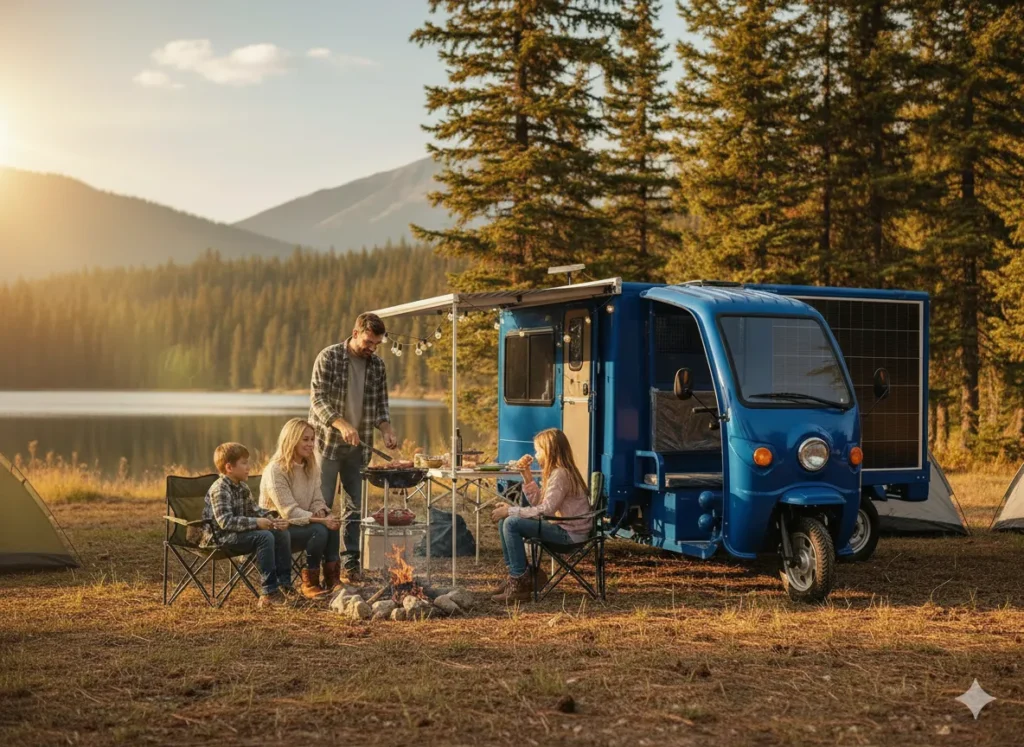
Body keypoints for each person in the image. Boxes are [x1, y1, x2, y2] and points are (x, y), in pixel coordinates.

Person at [309, 312, 399, 583]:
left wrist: (386, 430)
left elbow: (381, 405)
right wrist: (342, 424)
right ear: (356, 332)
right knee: (321, 506)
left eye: (377, 344)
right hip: (327, 445)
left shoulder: (378, 366)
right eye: (369, 342)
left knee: (354, 508)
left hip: (360, 449)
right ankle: (320, 567)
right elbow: (318, 400)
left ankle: (350, 565)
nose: (372, 348)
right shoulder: (329, 357)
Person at [489, 428, 592, 603]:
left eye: (538, 450)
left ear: (550, 450)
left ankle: (519, 583)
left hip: (570, 535)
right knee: (505, 522)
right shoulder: (558, 472)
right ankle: (518, 576)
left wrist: (511, 510)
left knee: (511, 523)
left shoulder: (561, 474)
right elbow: (540, 504)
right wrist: (527, 476)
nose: (536, 455)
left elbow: (546, 510)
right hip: (563, 527)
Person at [200, 442, 293, 608]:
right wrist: (257, 523)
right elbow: (225, 522)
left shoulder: (242, 486)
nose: (249, 467)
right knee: (264, 537)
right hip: (218, 538)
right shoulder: (220, 489)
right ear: (229, 467)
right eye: (244, 463)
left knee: (280, 532)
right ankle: (269, 592)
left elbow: (255, 510)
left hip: (237, 535)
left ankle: (284, 584)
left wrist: (274, 519)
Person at [260, 418, 343, 598]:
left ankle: (332, 580)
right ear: (292, 439)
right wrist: (321, 520)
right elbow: (289, 512)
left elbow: (317, 498)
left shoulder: (311, 467)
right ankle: (310, 583)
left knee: (333, 525)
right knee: (320, 530)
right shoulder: (276, 470)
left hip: (301, 525)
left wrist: (322, 510)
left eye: (312, 439)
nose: (310, 444)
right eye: (305, 439)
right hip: (278, 531)